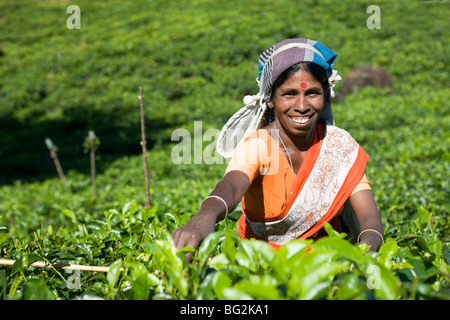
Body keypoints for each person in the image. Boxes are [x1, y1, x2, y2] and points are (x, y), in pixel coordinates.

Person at [172, 38, 383, 256]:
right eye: (289, 94)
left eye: (312, 93)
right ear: (270, 99)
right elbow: (232, 186)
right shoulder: (259, 145)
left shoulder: (339, 146)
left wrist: (363, 253)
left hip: (326, 264)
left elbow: (370, 220)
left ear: (325, 96)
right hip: (261, 266)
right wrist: (204, 217)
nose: (302, 106)